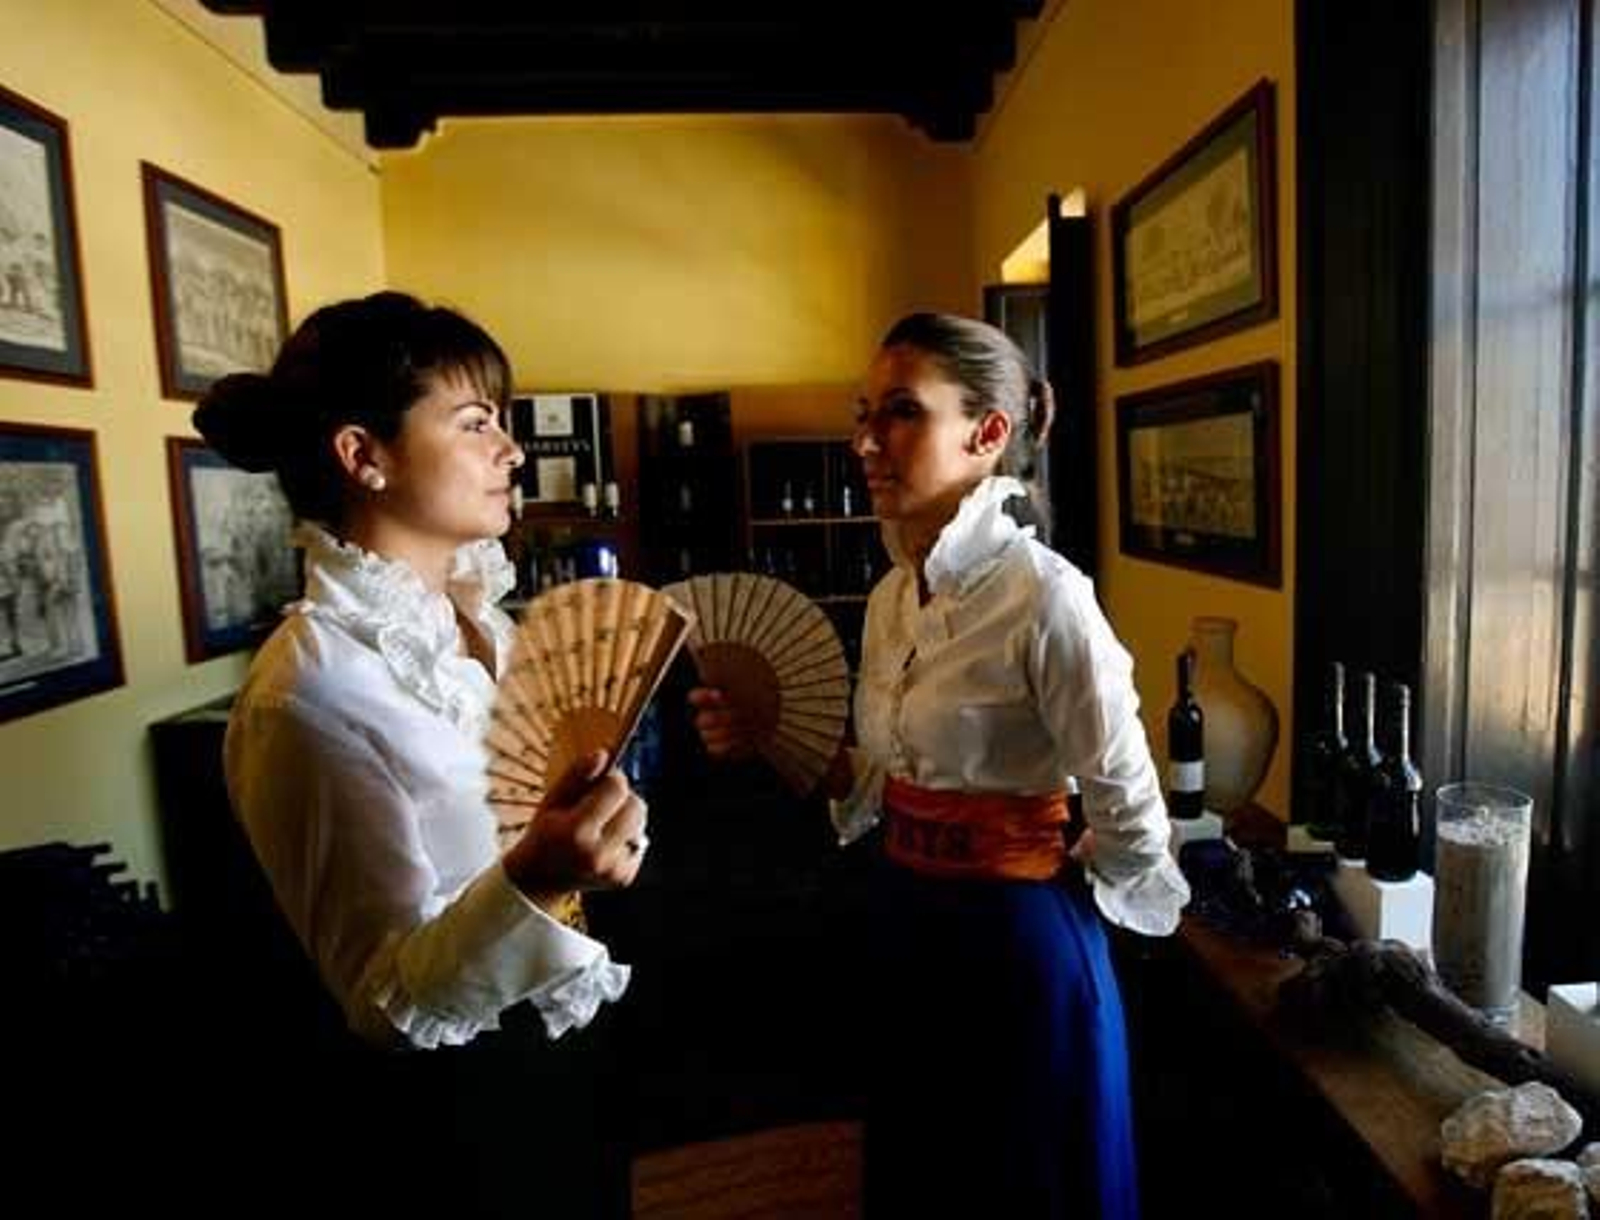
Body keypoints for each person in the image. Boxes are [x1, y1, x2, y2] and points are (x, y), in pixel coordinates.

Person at [691, 312, 1190, 1219]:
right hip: (907, 923)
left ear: (987, 433)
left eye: (899, 413)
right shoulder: (890, 597)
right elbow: (877, 785)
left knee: (1029, 1182)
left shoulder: (1047, 598)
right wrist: (767, 731)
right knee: (932, 1173)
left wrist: (1040, 878)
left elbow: (1132, 814)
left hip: (1020, 943)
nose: (865, 441)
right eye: (864, 414)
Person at [193, 290, 645, 1217]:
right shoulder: (307, 695)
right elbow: (385, 1002)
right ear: (364, 456)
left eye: (504, 424)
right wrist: (532, 877)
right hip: (455, 1111)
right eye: (477, 423)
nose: (511, 451)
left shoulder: (481, 624)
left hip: (567, 1039)